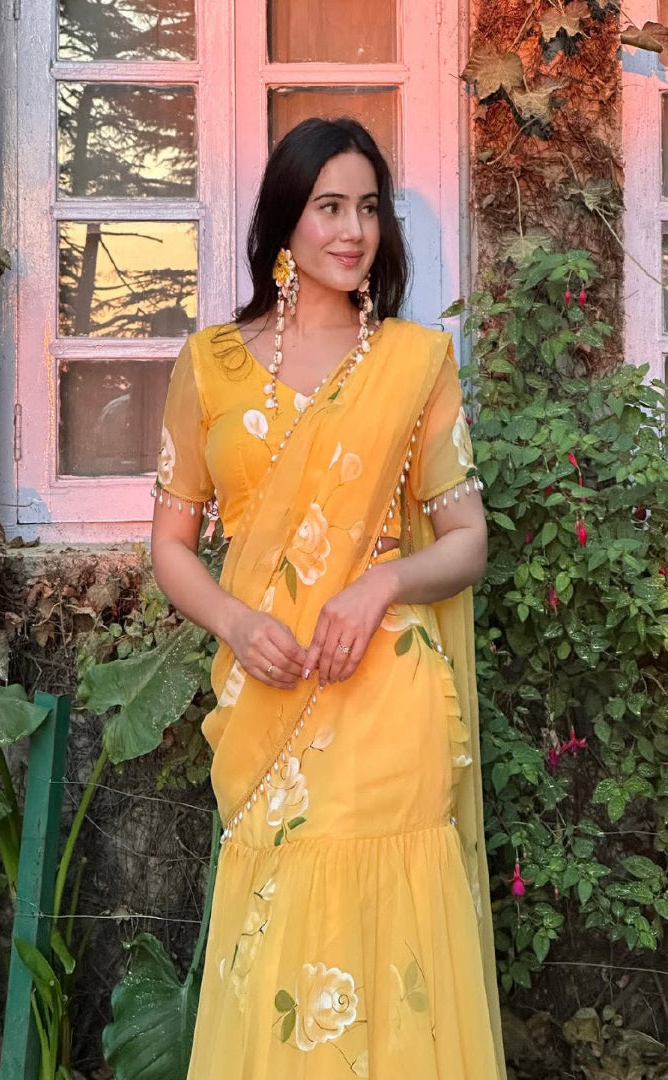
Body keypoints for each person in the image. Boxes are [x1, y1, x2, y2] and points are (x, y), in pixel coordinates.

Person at [151, 117, 506, 1079]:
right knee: (273, 959)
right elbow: (172, 546)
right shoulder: (211, 366)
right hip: (269, 696)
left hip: (387, 700)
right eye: (329, 206)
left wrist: (383, 581)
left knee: (391, 965)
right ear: (285, 223)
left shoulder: (414, 364)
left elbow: (467, 538)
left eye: (369, 207)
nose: (353, 230)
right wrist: (235, 620)